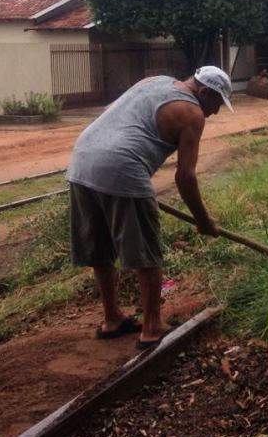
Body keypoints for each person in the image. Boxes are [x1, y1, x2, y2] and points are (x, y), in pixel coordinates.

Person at [66, 66, 233, 349]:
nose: (214, 112)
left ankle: (112, 319)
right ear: (204, 92)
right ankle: (152, 327)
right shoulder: (192, 113)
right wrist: (202, 221)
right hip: (122, 167)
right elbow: (185, 177)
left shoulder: (154, 80)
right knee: (146, 252)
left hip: (82, 162)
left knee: (100, 248)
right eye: (216, 104)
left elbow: (112, 111)